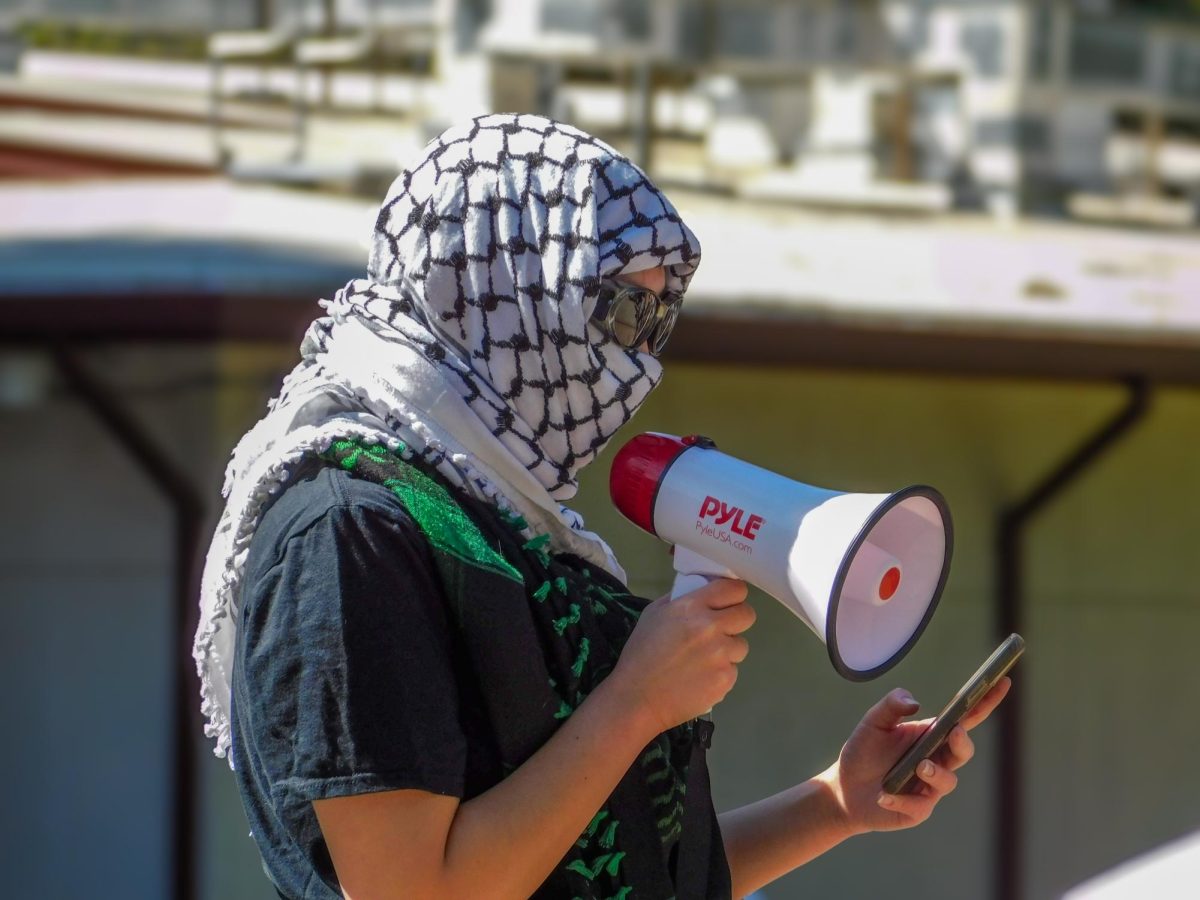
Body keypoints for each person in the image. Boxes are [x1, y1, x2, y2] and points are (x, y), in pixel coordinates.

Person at [194, 113, 1008, 900]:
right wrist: (635, 701)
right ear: (499, 284)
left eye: (657, 319)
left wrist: (836, 803)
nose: (637, 360)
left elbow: (614, 873)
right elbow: (413, 893)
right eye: (620, 309)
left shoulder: (510, 524)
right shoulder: (351, 528)